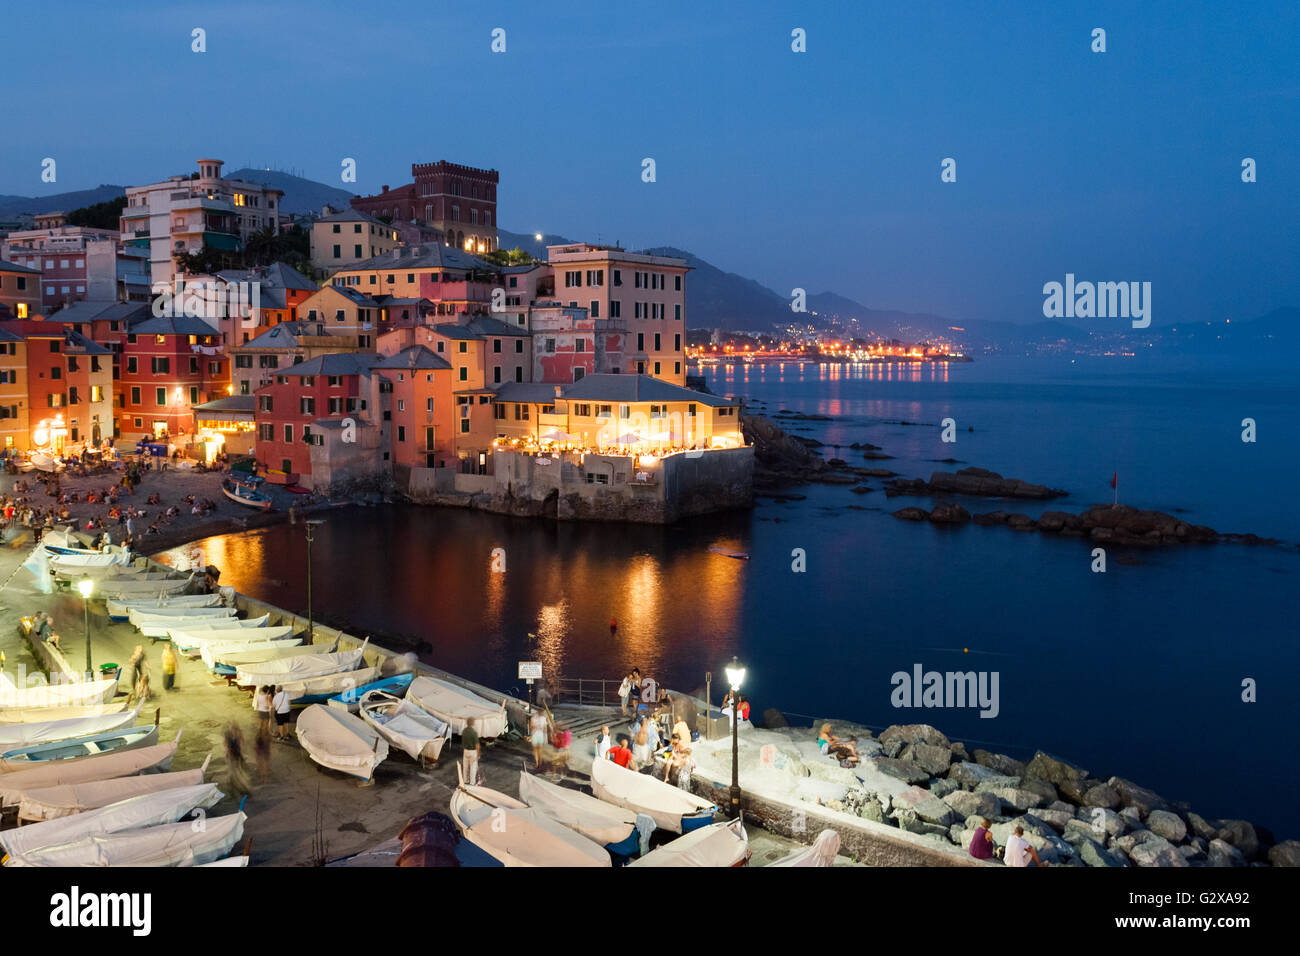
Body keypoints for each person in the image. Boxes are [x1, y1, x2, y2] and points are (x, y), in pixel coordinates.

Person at [461, 718, 481, 785]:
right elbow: (477, 745)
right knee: (473, 767)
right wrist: (478, 754)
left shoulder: (464, 731)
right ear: (473, 723)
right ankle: (472, 782)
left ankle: (465, 780)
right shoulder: (474, 733)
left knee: (465, 767)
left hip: (465, 750)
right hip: (472, 751)